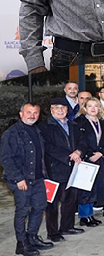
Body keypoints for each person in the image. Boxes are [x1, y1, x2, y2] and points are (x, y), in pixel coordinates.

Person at [1, 103, 53, 256]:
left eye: (35, 113)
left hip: (37, 178)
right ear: (21, 114)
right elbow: (6, 159)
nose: (32, 115)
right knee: (23, 211)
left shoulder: (37, 130)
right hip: (21, 180)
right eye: (29, 112)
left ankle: (32, 237)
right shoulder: (11, 134)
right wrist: (18, 178)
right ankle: (22, 244)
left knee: (39, 207)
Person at [40, 99, 82, 237]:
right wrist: (68, 156)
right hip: (55, 168)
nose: (60, 110)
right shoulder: (45, 126)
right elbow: (47, 147)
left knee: (71, 199)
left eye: (63, 107)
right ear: (51, 110)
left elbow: (83, 140)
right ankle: (53, 232)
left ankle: (67, 227)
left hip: (73, 167)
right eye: (56, 108)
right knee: (52, 202)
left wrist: (79, 152)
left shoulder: (73, 124)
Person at [75, 98, 104, 223]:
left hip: (99, 159)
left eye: (96, 106)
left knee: (95, 188)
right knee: (85, 189)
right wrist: (88, 155)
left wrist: (101, 153)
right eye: (90, 106)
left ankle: (90, 214)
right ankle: (84, 216)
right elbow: (79, 141)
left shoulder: (102, 122)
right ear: (85, 108)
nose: (93, 108)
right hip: (86, 159)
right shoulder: (79, 122)